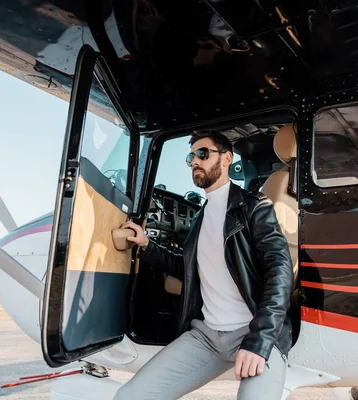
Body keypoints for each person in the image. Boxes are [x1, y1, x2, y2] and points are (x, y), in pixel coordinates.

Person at [115, 131, 293, 400]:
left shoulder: (254, 206)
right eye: (191, 157)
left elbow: (279, 271)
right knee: (128, 396)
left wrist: (260, 339)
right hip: (206, 337)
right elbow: (187, 268)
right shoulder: (200, 216)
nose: (195, 161)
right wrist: (146, 245)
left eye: (203, 153)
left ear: (227, 158)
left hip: (254, 331)